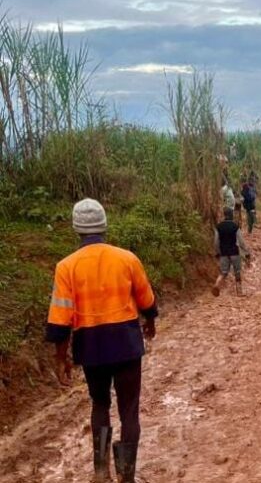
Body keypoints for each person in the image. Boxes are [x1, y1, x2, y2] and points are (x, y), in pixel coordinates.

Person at [46, 199, 158, 483]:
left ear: (77, 229)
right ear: (104, 225)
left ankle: (100, 471)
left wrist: (62, 358)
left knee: (99, 406)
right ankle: (127, 476)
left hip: (91, 345)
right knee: (129, 410)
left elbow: (60, 318)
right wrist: (151, 322)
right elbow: (146, 299)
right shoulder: (127, 258)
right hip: (126, 343)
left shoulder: (66, 267)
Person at [213, 208, 251, 297]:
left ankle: (217, 284)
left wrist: (218, 252)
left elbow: (216, 242)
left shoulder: (218, 227)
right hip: (234, 252)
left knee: (223, 272)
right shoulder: (235, 226)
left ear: (224, 215)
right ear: (232, 215)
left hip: (223, 253)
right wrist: (246, 252)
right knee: (237, 272)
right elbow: (241, 242)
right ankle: (239, 292)